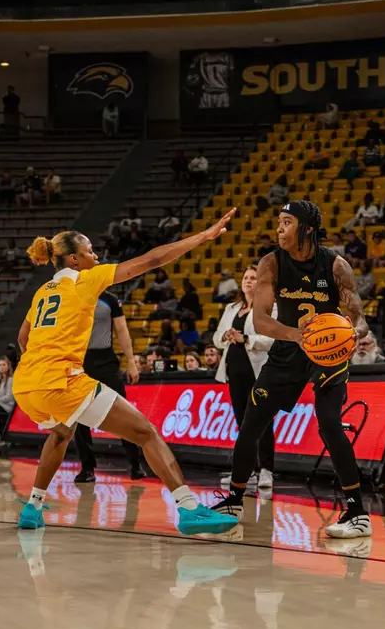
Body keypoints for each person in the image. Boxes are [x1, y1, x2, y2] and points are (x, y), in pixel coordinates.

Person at [13, 210, 241, 535]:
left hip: (26, 384)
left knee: (62, 432)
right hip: (62, 380)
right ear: (74, 260)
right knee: (145, 432)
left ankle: (33, 507)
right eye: (90, 251)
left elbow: (23, 338)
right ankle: (190, 509)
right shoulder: (86, 279)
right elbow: (151, 260)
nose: (96, 255)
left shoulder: (43, 292)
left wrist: (40, 369)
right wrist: (202, 237)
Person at [210, 200, 372, 539]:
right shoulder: (271, 263)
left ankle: (357, 512)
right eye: (279, 222)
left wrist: (353, 333)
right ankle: (234, 500)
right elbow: (260, 319)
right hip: (289, 347)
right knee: (252, 421)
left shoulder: (336, 265)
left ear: (307, 229)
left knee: (329, 422)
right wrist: (296, 336)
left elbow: (357, 315)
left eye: (287, 222)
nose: (279, 228)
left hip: (328, 353)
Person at [73, 287, 146, 483]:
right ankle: (87, 468)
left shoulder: (110, 300)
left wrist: (131, 362)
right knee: (79, 415)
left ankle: (135, 463)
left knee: (122, 411)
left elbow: (122, 330)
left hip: (105, 359)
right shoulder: (71, 296)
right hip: (79, 360)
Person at [214, 265, 277, 489]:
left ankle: (267, 470)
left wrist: (247, 339)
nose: (248, 281)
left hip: (259, 371)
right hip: (235, 369)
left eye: (253, 278)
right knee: (242, 423)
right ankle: (246, 471)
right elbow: (216, 338)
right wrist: (226, 335)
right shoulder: (232, 308)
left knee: (262, 421)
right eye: (246, 278)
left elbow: (273, 339)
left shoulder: (269, 307)